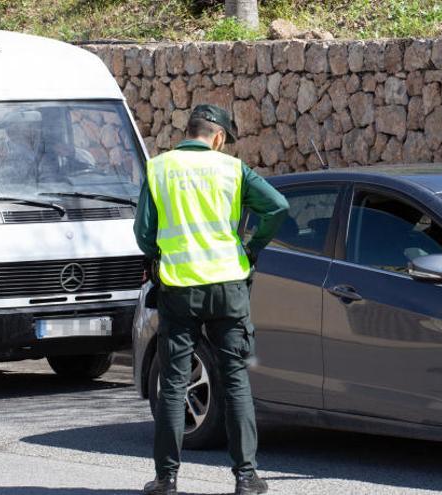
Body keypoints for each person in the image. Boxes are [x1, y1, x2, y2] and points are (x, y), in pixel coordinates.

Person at [134, 104, 288, 495]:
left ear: (189, 131)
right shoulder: (232, 170)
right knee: (235, 379)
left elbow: (144, 234)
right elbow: (277, 206)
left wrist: (160, 256)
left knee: (172, 383)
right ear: (218, 137)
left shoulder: (159, 168)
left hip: (179, 288)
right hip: (228, 287)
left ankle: (166, 479)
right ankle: (246, 477)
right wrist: (252, 249)